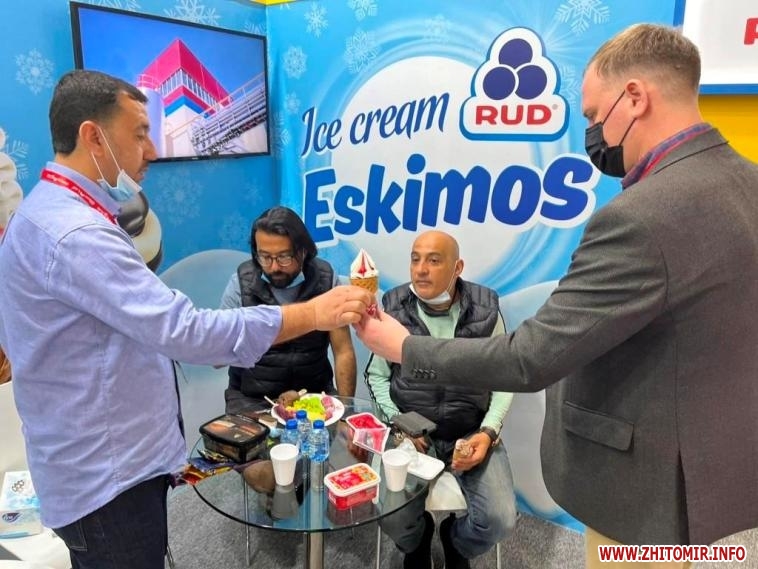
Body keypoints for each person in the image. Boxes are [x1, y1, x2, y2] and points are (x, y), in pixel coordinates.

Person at [356, 23, 758, 567]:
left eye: (593, 116)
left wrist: (403, 348)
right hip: (709, 459)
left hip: (644, 486)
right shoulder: (747, 181)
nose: (591, 133)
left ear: (635, 97)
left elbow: (529, 358)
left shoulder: (641, 217)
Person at [0, 69, 371, 569]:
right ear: (93, 136)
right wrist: (310, 314)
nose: (152, 150)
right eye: (139, 133)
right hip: (107, 481)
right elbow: (188, 332)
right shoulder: (75, 235)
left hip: (105, 463)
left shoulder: (44, 216)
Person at [365, 230, 516, 569]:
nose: (421, 269)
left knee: (499, 520)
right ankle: (418, 543)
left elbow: (505, 379)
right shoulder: (393, 307)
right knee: (390, 515)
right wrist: (401, 425)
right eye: (415, 259)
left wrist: (488, 432)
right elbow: (376, 376)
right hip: (410, 432)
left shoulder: (486, 310)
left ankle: (454, 540)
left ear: (457, 267)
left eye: (434, 261)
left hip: (470, 430)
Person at [219, 206, 356, 414]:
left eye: (284, 257)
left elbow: (343, 350)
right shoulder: (240, 283)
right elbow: (221, 350)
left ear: (303, 251)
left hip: (313, 396)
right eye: (265, 257)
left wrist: (345, 410)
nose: (274, 267)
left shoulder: (326, 279)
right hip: (252, 400)